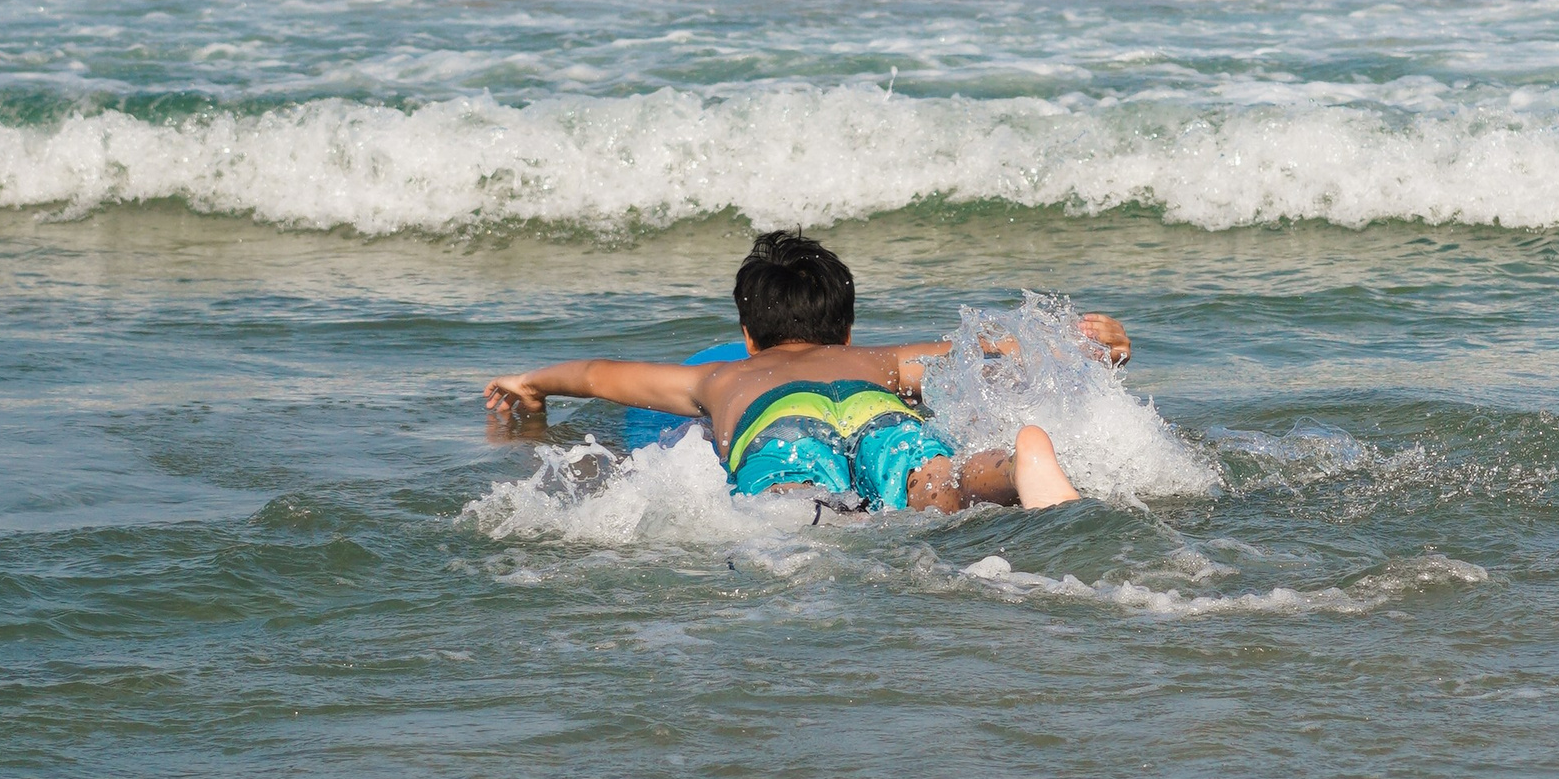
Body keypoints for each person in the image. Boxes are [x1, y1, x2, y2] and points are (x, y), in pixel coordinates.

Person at [483, 229, 1128, 513]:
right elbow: (981, 350)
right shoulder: (873, 361)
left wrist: (532, 382)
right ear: (844, 331)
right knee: (940, 481)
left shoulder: (718, 380)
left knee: (797, 507)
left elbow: (600, 373)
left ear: (745, 338)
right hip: (875, 410)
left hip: (777, 428)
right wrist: (1096, 345)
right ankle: (1017, 467)